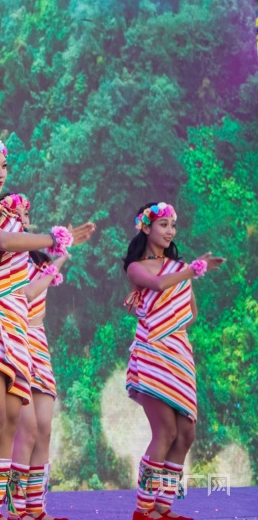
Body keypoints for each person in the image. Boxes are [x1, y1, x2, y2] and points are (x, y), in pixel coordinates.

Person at [0, 135, 94, 520]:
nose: (0, 173)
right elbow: (4, 241)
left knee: (9, 423)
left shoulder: (7, 215)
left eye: (3, 166)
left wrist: (55, 249)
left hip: (14, 330)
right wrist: (55, 239)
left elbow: (15, 243)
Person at [123, 202, 224, 520]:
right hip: (151, 354)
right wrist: (193, 269)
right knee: (165, 431)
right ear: (146, 227)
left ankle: (163, 507)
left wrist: (171, 327)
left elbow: (191, 312)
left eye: (173, 225)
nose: (170, 231)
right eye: (164, 224)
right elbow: (156, 284)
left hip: (179, 353)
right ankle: (144, 509)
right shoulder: (136, 267)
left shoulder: (178, 267)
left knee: (186, 433)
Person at [2, 193, 70, 520]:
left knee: (43, 428)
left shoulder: (35, 260)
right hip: (11, 340)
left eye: (26, 215)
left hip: (37, 342)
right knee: (26, 428)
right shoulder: (1, 258)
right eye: (16, 215)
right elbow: (26, 294)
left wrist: (59, 255)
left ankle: (36, 510)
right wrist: (59, 261)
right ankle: (15, 510)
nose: (24, 221)